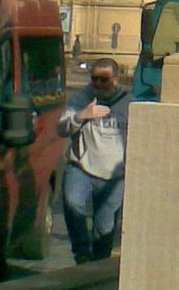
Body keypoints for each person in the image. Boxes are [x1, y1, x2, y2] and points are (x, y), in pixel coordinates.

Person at [57, 57, 133, 264]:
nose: (98, 84)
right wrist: (81, 116)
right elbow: (61, 128)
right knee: (72, 203)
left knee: (104, 231)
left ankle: (97, 266)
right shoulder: (81, 99)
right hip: (82, 168)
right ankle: (81, 253)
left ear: (116, 80)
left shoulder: (129, 103)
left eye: (104, 79)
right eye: (94, 79)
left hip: (114, 176)